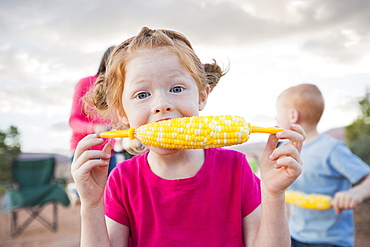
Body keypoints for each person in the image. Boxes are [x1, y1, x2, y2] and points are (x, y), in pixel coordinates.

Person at [71, 27, 305, 247]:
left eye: (176, 88)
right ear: (122, 114)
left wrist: (273, 194)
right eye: (142, 94)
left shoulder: (237, 169)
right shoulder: (122, 181)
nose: (161, 105)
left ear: (202, 96)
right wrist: (91, 205)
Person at [276, 83, 370, 247]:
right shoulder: (285, 149)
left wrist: (358, 192)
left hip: (330, 241)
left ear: (292, 116)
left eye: (278, 113)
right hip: (295, 234)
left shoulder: (331, 149)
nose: (276, 118)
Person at [69, 46, 118, 174]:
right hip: (86, 151)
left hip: (109, 154)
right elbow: (73, 121)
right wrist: (94, 128)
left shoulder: (120, 90)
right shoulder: (86, 83)